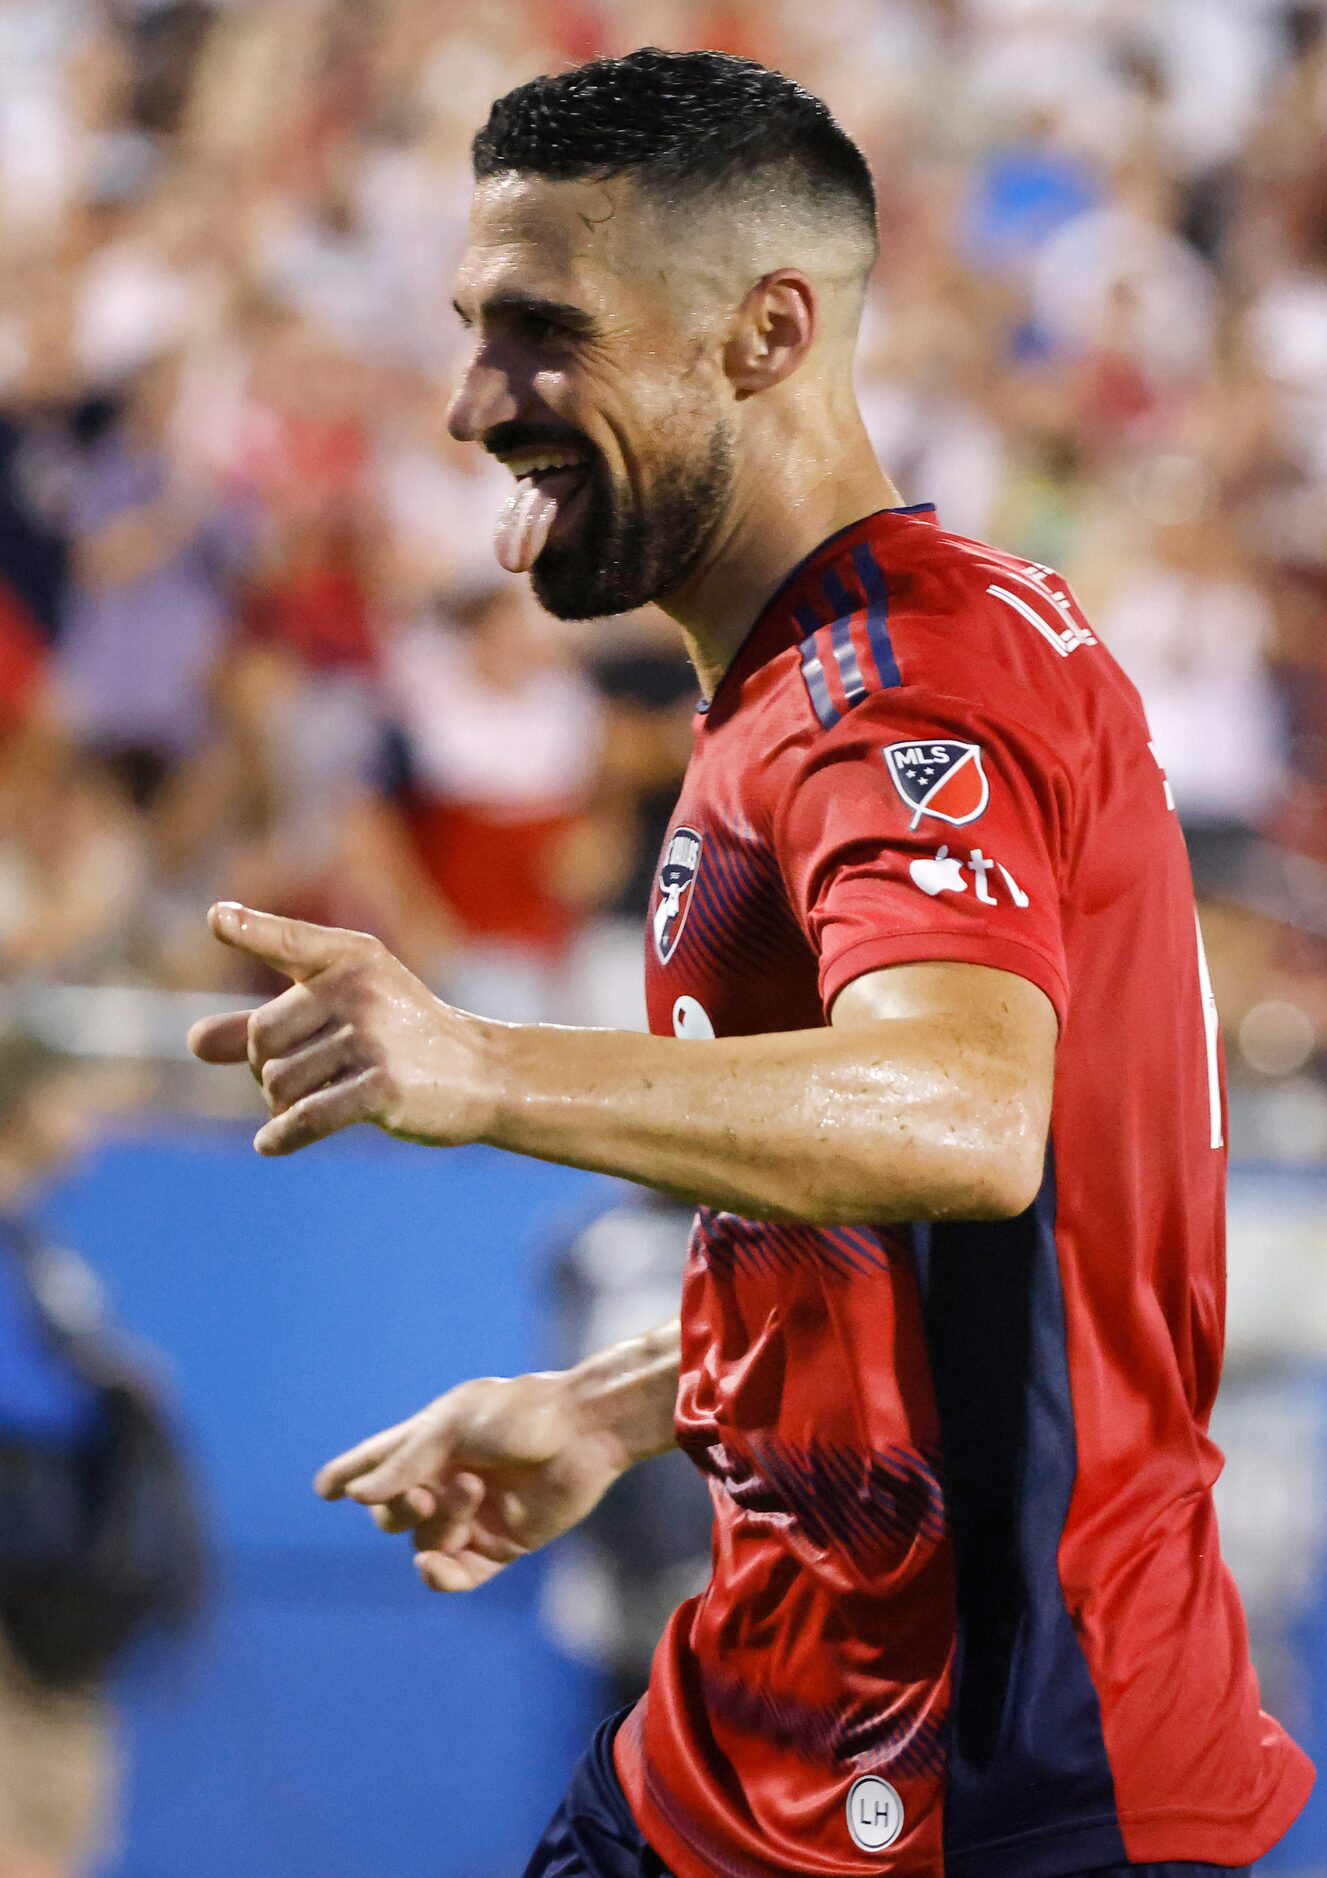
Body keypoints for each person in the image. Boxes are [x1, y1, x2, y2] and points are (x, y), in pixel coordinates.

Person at [187, 48, 1313, 1878]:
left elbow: (962, 1118)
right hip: (756, 1732)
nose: (477, 405)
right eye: (477, 327)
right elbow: (928, 1238)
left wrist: (479, 1064)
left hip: (994, 1782)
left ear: (767, 331)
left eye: (542, 331)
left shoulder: (901, 686)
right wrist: (631, 1402)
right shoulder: (818, 673)